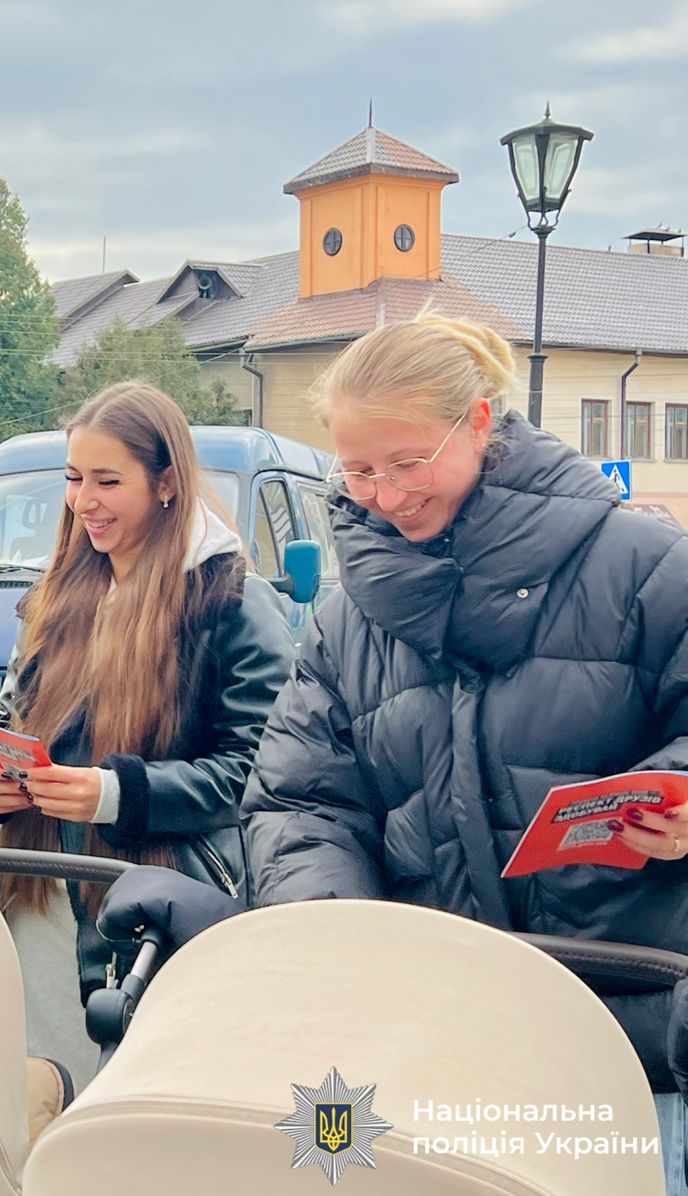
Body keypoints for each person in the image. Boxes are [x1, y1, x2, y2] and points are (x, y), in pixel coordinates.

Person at [240, 312, 688, 1193]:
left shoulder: (647, 566)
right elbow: (299, 799)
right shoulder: (347, 617)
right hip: (431, 1031)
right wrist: (337, 932)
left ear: (482, 422)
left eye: (408, 463)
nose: (385, 494)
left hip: (628, 1026)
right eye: (359, 470)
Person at [0, 381, 293, 1086]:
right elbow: (16, 721)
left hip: (155, 912)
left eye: (108, 481)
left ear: (167, 482)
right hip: (34, 894)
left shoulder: (230, 599)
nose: (84, 501)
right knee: (32, 1101)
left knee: (132, 1111)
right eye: (74, 479)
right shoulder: (57, 591)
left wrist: (114, 794)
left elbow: (256, 775)